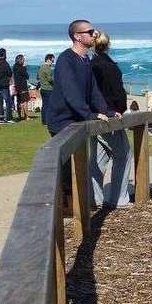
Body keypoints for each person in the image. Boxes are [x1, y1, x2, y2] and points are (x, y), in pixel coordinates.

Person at [46, 20, 111, 203]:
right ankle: (63, 209)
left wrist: (106, 111)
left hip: (76, 120)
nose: (94, 34)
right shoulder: (66, 59)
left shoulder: (85, 59)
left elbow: (93, 90)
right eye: (90, 32)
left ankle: (76, 208)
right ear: (77, 36)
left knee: (78, 167)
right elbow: (70, 92)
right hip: (62, 121)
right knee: (67, 170)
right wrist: (89, 114)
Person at [89, 30, 131, 209]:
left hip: (94, 115)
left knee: (99, 158)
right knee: (123, 155)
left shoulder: (90, 65)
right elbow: (117, 92)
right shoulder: (109, 66)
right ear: (108, 45)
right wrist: (119, 109)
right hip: (110, 114)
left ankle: (95, 198)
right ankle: (118, 198)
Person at [0, 48, 13, 123]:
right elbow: (10, 73)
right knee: (7, 102)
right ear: (4, 54)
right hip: (4, 85)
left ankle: (1, 117)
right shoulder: (5, 63)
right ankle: (8, 118)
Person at [37, 53, 55, 126]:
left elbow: (38, 77)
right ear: (48, 60)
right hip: (48, 89)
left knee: (44, 105)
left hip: (43, 88)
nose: (52, 63)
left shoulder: (41, 67)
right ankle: (47, 121)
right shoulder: (47, 68)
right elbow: (50, 79)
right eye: (52, 61)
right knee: (48, 106)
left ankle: (44, 121)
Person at [13, 54, 31, 121]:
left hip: (17, 86)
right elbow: (27, 76)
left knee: (19, 101)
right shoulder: (22, 68)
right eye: (23, 59)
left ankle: (20, 115)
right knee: (25, 101)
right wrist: (25, 68)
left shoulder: (14, 67)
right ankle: (27, 116)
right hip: (23, 86)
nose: (24, 60)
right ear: (21, 60)